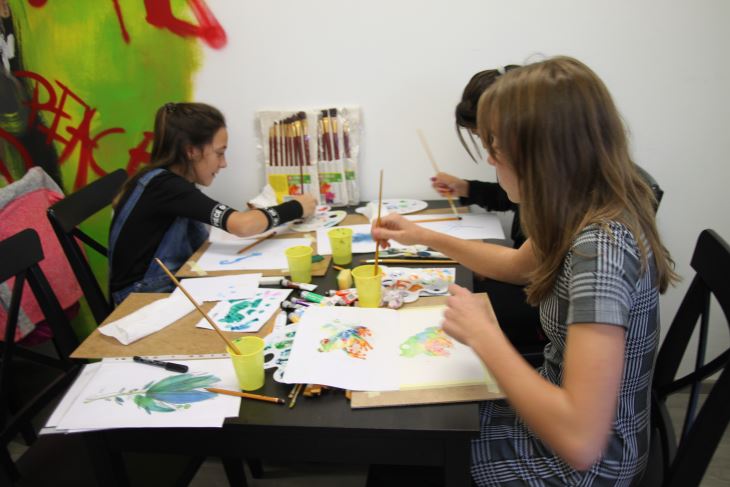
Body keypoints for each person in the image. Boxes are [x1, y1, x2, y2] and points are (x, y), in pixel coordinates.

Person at [372, 57, 677, 485]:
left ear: (541, 155)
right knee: (411, 431)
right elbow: (517, 266)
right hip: (554, 408)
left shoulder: (600, 251)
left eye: (495, 146)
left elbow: (581, 442)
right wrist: (422, 235)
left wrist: (484, 335)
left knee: (404, 457)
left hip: (582, 465)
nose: (490, 159)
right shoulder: (581, 206)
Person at [109, 102, 316, 305]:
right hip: (139, 298)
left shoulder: (169, 182)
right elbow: (242, 225)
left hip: (168, 281)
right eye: (219, 153)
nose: (223, 163)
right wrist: (296, 207)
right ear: (191, 151)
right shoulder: (166, 187)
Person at [433, 65, 546, 355]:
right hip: (531, 282)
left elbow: (522, 269)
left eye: (491, 140)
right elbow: (511, 198)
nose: (489, 157)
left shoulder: (568, 212)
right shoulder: (543, 184)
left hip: (537, 303)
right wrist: (466, 188)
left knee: (448, 304)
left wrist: (428, 238)